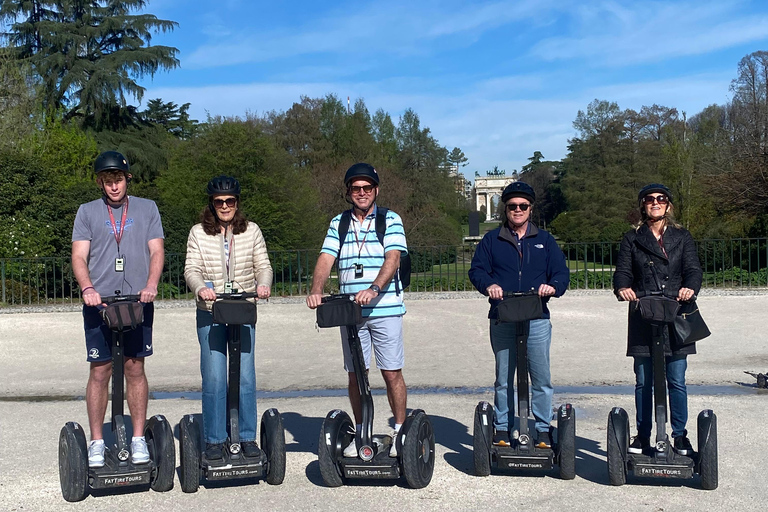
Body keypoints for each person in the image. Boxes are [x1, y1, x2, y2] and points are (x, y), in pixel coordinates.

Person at [306, 163, 408, 458]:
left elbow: (393, 258)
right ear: (348, 192)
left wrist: (375, 288)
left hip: (385, 307)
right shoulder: (339, 222)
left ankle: (400, 430)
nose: (361, 193)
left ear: (376, 190)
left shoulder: (390, 219)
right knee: (356, 374)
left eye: (367, 188)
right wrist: (316, 289)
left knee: (391, 372)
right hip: (350, 312)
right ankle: (362, 430)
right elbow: (326, 257)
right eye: (355, 188)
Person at [71, 150, 165, 468]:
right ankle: (97, 441)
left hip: (138, 302)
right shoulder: (86, 213)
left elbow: (156, 251)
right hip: (99, 304)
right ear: (100, 182)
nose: (114, 186)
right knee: (100, 371)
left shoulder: (147, 208)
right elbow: (79, 257)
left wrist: (151, 285)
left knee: (135, 368)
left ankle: (138, 438)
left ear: (127, 179)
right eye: (108, 180)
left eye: (119, 179)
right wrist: (87, 288)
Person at [468, 181, 570, 449]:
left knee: (541, 377)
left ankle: (543, 429)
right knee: (504, 377)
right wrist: (489, 285)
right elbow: (477, 270)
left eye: (523, 206)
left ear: (530, 209)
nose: (517, 210)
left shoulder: (545, 241)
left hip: (536, 315)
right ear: (505, 208)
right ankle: (502, 427)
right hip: (503, 314)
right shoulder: (493, 239)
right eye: (512, 206)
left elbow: (561, 273)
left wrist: (553, 287)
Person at [184, 175, 273, 461]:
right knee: (214, 377)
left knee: (245, 377)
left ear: (237, 203)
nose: (225, 206)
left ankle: (246, 437)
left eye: (230, 201)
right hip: (210, 312)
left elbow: (263, 265)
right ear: (212, 204)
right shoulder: (199, 232)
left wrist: (263, 284)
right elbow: (191, 269)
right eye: (219, 202)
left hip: (242, 310)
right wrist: (199, 288)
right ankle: (213, 439)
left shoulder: (252, 231)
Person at [613, 183, 702, 456]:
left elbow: (693, 270)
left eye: (660, 199)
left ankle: (679, 436)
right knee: (644, 380)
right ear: (643, 205)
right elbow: (623, 272)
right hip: (644, 312)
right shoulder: (633, 238)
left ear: (668, 205)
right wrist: (622, 288)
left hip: (676, 312)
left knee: (676, 379)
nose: (655, 202)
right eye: (649, 199)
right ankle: (642, 436)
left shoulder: (682, 236)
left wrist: (690, 288)